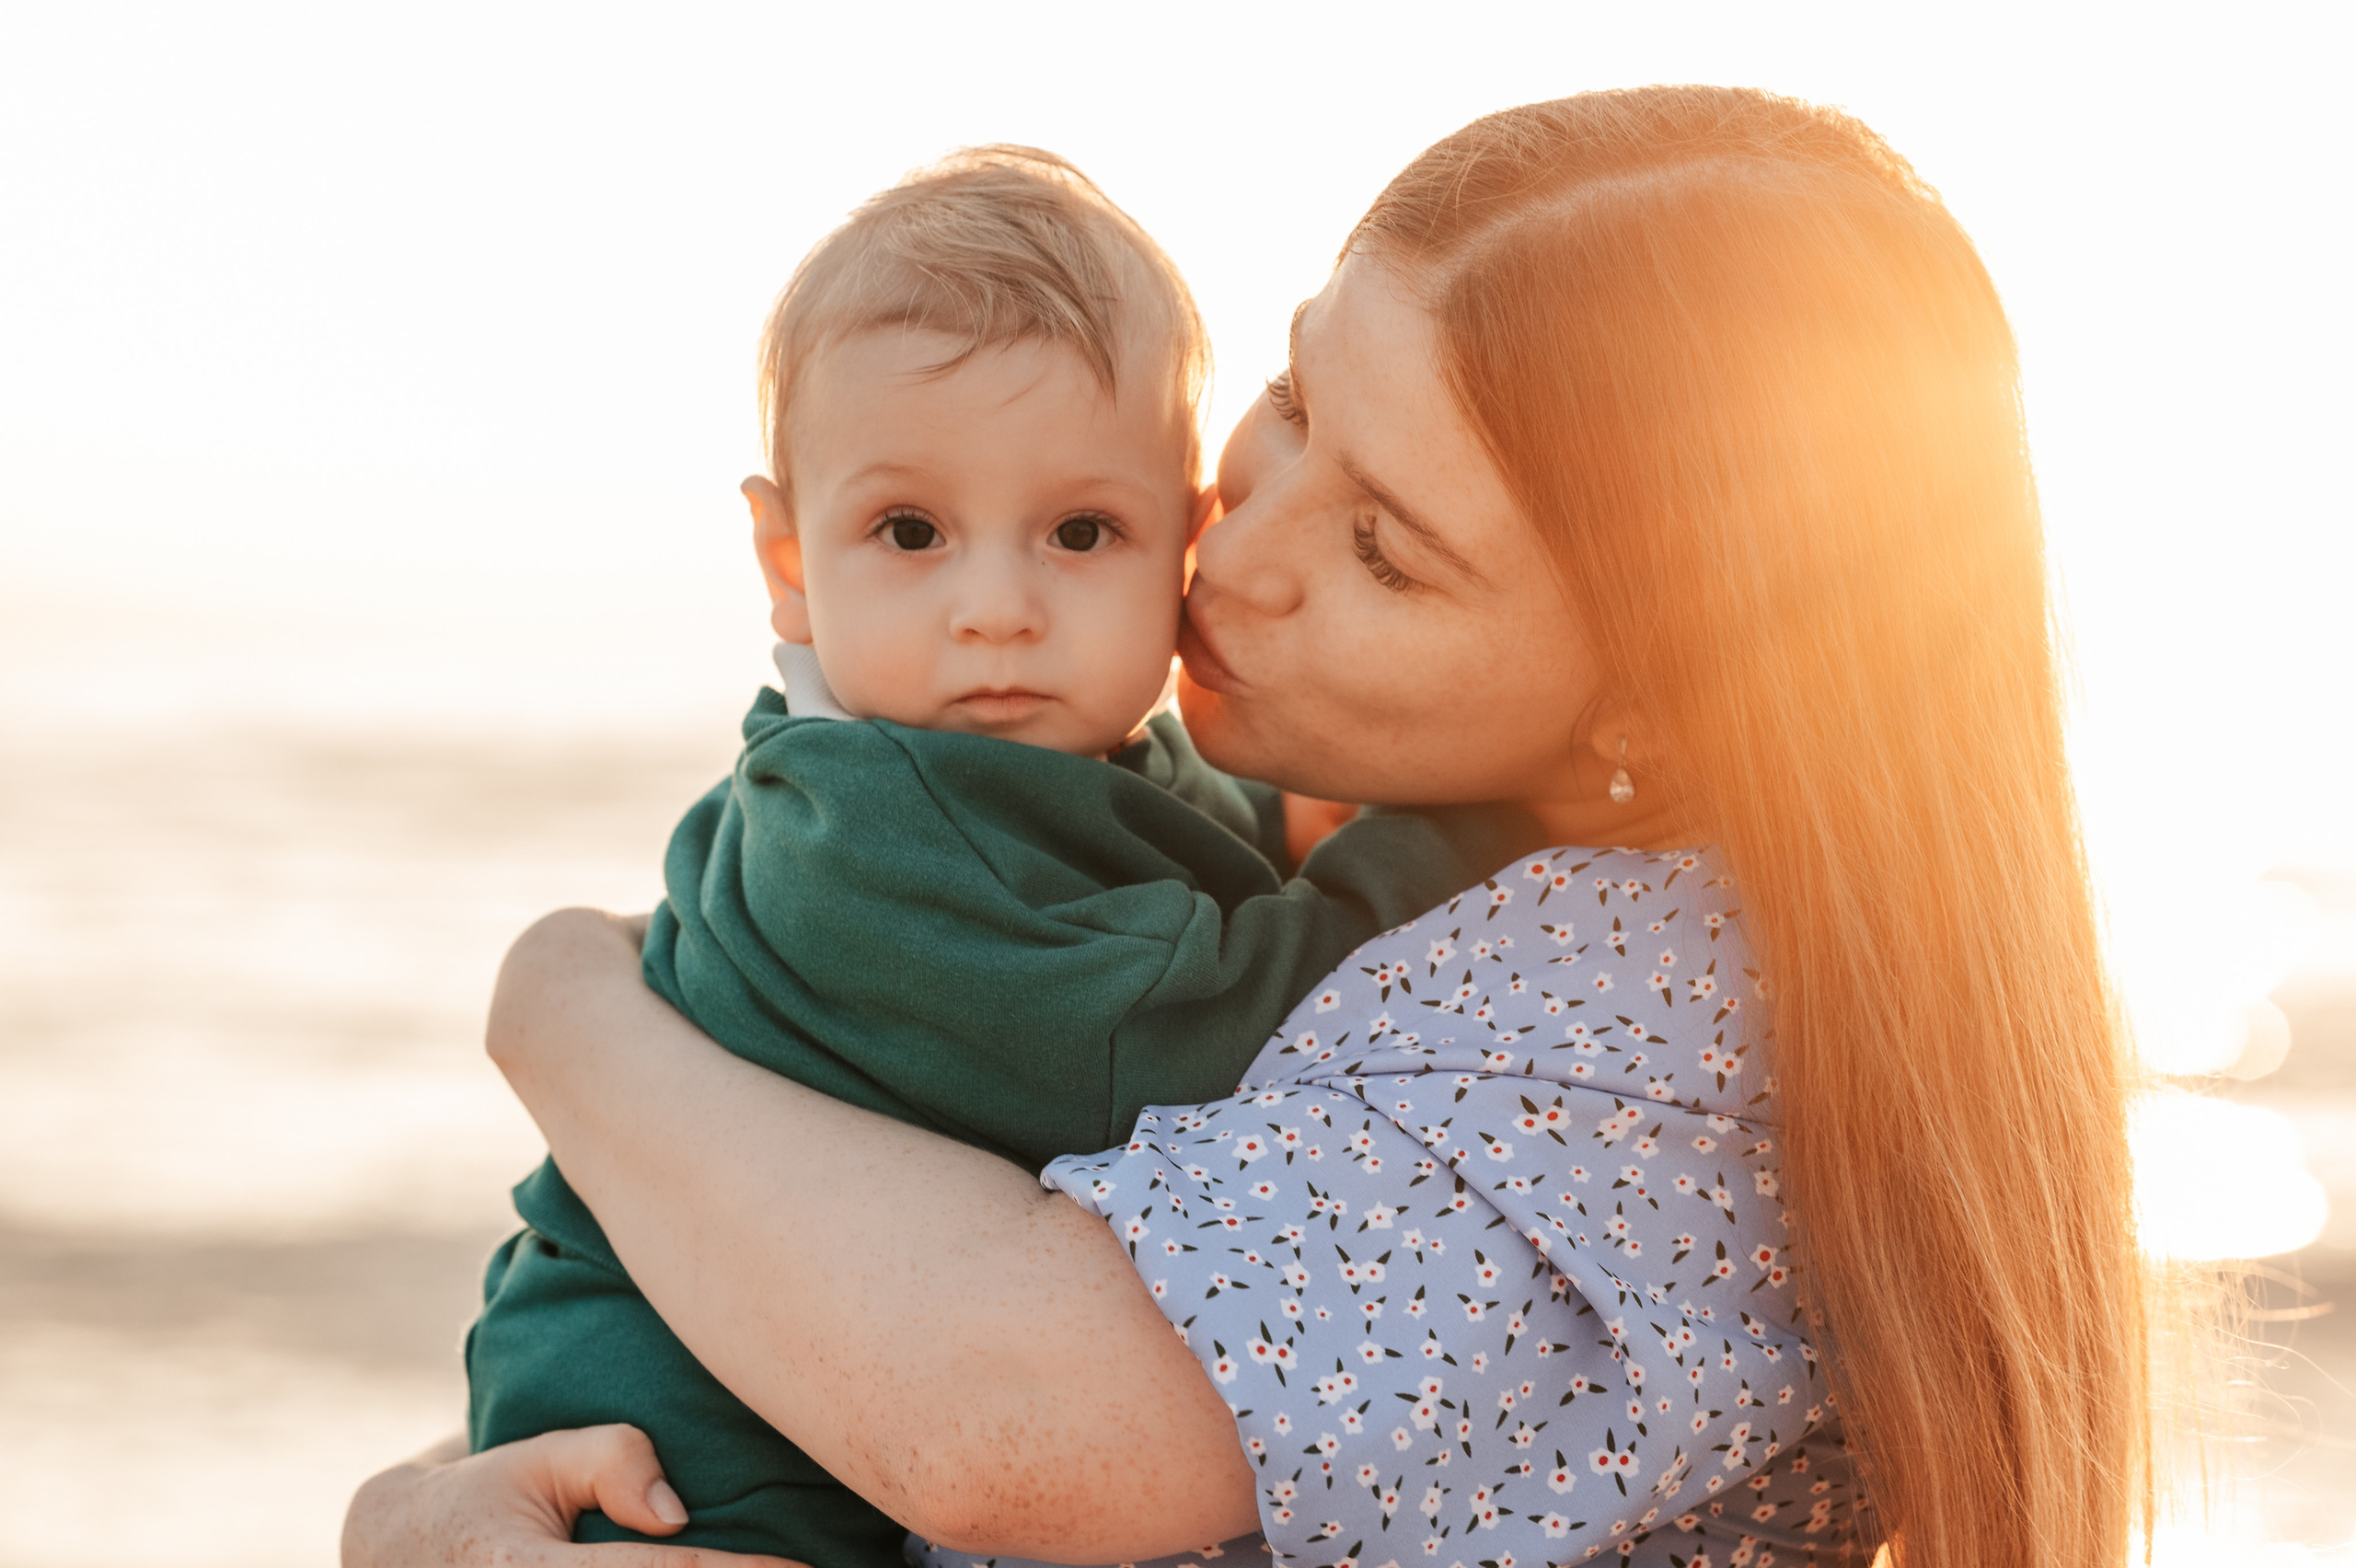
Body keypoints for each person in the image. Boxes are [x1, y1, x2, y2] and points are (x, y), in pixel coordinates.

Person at [347, 86, 2149, 1568]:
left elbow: (998, 1424)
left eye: (1381, 548)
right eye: (1289, 402)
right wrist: (426, 1510)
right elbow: (792, 1274)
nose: (1243, 537)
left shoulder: (1658, 1023)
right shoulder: (1258, 811)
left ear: (1652, 707)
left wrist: (562, 1005)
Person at [465, 145, 1538, 1559]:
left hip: (782, 1364)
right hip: (679, 1440)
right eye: (909, 531)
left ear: (1182, 543)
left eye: (1080, 533)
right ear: (790, 561)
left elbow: (1194, 851)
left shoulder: (1034, 765)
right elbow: (1195, 1034)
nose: (996, 609)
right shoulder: (875, 828)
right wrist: (1463, 834)